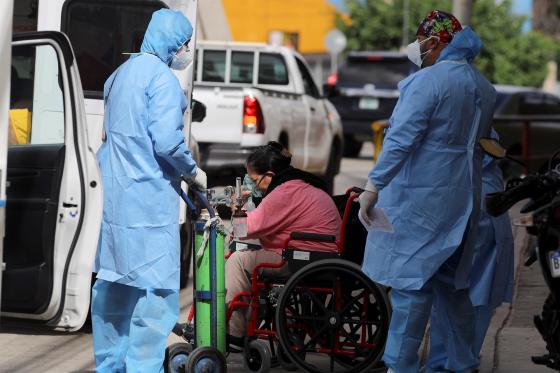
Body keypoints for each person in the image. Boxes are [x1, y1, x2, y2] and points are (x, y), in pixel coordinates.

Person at [358, 10, 496, 373]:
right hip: (463, 202)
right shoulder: (482, 86)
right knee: (454, 290)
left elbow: (400, 141)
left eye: (422, 41)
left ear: (435, 42)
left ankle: (400, 366)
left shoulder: (427, 83)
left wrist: (374, 186)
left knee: (410, 290)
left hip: (422, 203)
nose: (417, 48)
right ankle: (464, 364)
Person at [91, 9, 206, 373]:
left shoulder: (119, 75)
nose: (187, 50)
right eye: (186, 43)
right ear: (175, 42)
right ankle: (144, 368)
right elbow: (168, 143)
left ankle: (110, 366)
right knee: (155, 295)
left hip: (114, 202)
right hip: (150, 205)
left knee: (113, 288)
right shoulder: (162, 80)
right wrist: (193, 172)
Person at [226, 141, 341, 343]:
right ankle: (250, 320)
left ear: (269, 175)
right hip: (320, 252)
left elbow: (243, 230)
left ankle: (234, 332)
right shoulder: (297, 185)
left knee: (238, 260)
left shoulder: (284, 193)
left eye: (253, 180)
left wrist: (237, 207)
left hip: (305, 257)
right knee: (253, 254)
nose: (250, 185)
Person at [426, 133, 515, 372]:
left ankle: (451, 361)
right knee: (473, 294)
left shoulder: (458, 118)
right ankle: (459, 358)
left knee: (456, 293)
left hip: (475, 212)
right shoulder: (480, 117)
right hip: (485, 208)